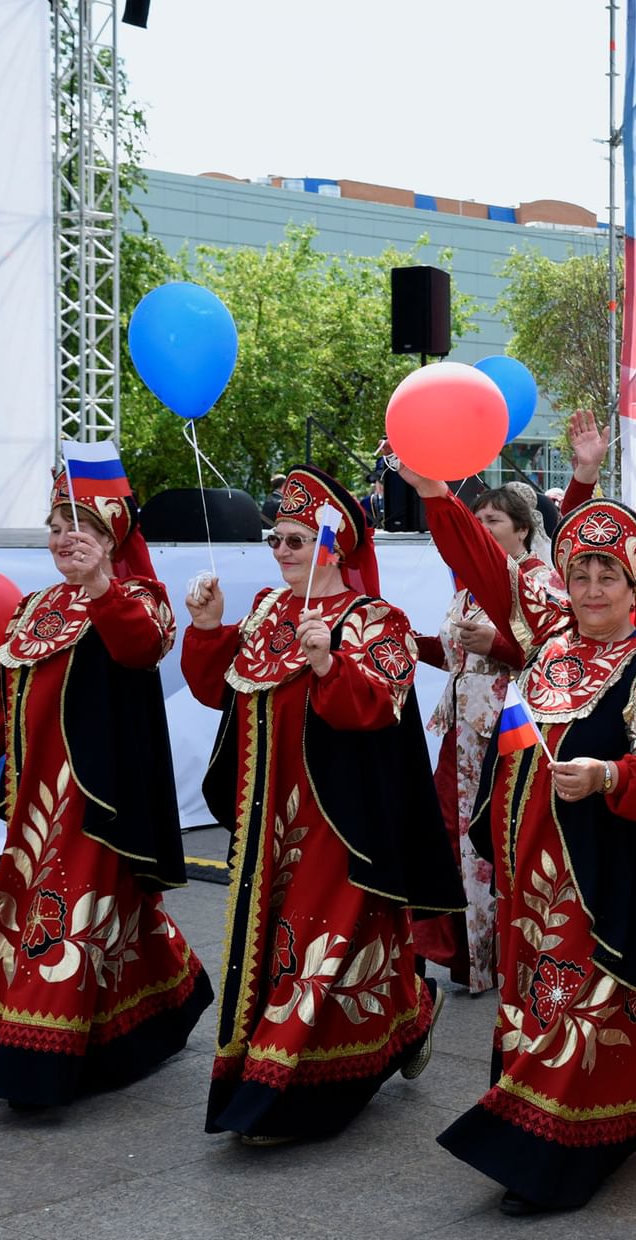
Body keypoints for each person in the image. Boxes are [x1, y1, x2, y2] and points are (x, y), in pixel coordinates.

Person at [416, 491, 636, 1215]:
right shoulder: (546, 655)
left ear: (635, 586)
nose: (590, 590)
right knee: (540, 998)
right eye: (579, 574)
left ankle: (555, 1152)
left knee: (580, 1001)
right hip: (530, 873)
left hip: (606, 877)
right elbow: (514, 746)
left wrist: (611, 776)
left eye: (607, 576)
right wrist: (434, 494)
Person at [182, 465, 461, 1144]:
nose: (279, 550)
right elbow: (221, 694)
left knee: (313, 952)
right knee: (288, 953)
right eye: (275, 538)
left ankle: (288, 1096)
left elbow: (375, 714)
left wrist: (329, 664)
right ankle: (409, 1015)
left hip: (342, 826)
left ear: (333, 547)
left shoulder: (377, 622)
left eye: (296, 539)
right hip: (266, 827)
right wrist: (210, 630)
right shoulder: (268, 613)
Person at [0, 472, 209, 1106]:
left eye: (78, 529)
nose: (61, 539)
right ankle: (167, 1002)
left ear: (111, 538)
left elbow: (136, 648)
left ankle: (37, 1065)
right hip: (35, 803)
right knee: (96, 914)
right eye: (53, 528)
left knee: (67, 917)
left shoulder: (142, 598)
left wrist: (100, 582)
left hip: (97, 798)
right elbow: (2, 704)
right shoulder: (36, 607)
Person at [413, 483, 554, 997]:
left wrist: (496, 642)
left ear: (522, 529)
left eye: (492, 520)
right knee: (450, 835)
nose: (483, 528)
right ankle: (460, 953)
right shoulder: (469, 588)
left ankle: (493, 955)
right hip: (461, 729)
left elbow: (549, 654)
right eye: (477, 520)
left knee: (488, 836)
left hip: (504, 725)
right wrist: (413, 641)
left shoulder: (538, 580)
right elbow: (455, 656)